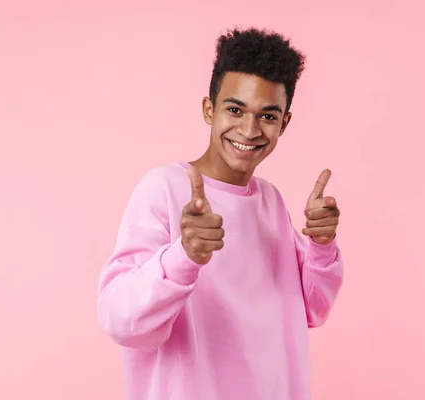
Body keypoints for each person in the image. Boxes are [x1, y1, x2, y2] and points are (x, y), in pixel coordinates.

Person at [97, 27, 344, 400]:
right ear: (209, 109)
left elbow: (312, 309)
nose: (249, 129)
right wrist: (184, 256)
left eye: (267, 116)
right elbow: (121, 320)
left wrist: (321, 245)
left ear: (284, 124)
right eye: (234, 109)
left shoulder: (271, 202)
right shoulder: (163, 188)